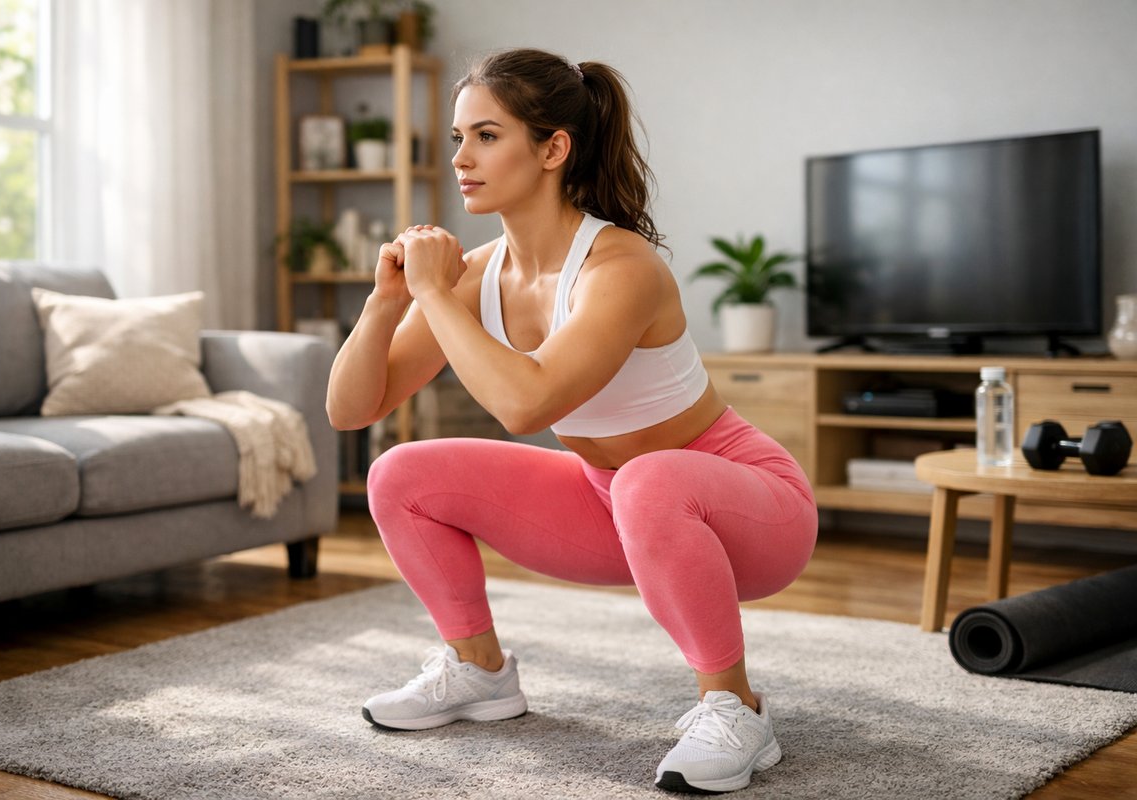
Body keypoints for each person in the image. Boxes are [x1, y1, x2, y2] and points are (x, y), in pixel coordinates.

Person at [325, 47, 817, 795]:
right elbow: (350, 409)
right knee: (400, 473)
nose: (462, 158)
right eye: (458, 137)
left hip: (751, 508)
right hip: (610, 503)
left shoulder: (622, 268)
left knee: (648, 480)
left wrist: (434, 296)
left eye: (487, 136)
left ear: (554, 148)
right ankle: (478, 671)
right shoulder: (477, 273)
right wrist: (386, 302)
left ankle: (735, 708)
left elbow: (527, 404)